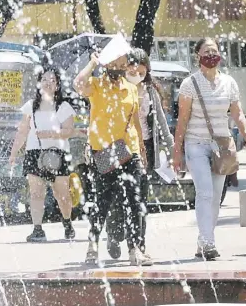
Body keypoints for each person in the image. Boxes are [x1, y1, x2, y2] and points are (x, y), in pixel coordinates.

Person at [173, 38, 246, 260]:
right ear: (197, 56)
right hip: (196, 143)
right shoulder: (189, 84)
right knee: (205, 192)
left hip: (221, 145)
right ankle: (209, 243)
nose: (211, 54)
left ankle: (203, 241)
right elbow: (182, 120)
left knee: (216, 196)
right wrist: (177, 152)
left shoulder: (229, 83)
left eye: (215, 50)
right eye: (206, 51)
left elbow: (237, 114)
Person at [73, 47, 153, 266]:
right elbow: (78, 84)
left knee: (134, 200)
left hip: (129, 150)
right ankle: (92, 245)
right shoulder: (97, 85)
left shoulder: (131, 88)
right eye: (113, 64)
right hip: (106, 151)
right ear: (106, 64)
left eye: (121, 64)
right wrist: (92, 63)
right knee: (103, 201)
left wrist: (143, 149)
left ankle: (134, 249)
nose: (117, 68)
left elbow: (135, 119)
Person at [104, 48, 174, 259]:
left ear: (146, 69)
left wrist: (172, 151)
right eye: (131, 67)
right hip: (117, 147)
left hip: (143, 149)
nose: (135, 71)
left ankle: (139, 247)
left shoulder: (150, 91)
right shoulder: (115, 88)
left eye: (140, 68)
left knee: (140, 199)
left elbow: (161, 123)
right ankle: (114, 234)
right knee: (117, 196)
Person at [10, 67, 77, 242]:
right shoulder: (30, 106)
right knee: (36, 193)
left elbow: (69, 131)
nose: (48, 83)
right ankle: (38, 229)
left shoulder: (64, 106)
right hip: (34, 153)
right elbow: (22, 131)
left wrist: (50, 134)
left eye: (52, 80)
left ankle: (68, 223)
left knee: (61, 194)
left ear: (57, 86)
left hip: (58, 153)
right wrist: (13, 153)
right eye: (44, 80)